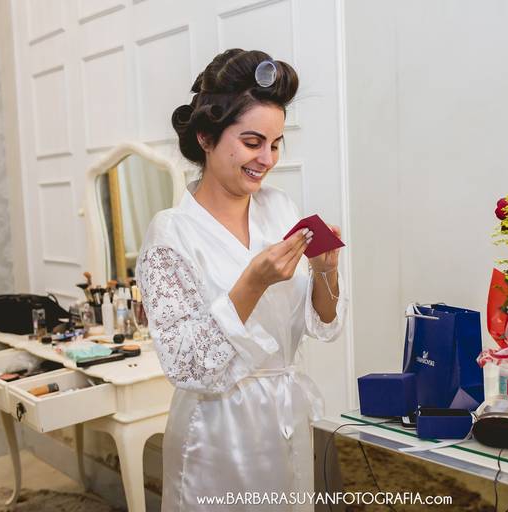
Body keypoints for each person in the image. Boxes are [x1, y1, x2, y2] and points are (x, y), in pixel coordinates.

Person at [136, 49, 346, 511]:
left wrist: (325, 270)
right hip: (217, 433)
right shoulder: (171, 234)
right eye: (253, 142)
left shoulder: (280, 209)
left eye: (276, 144)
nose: (267, 159)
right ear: (206, 137)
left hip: (285, 417)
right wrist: (252, 283)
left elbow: (324, 324)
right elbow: (188, 367)